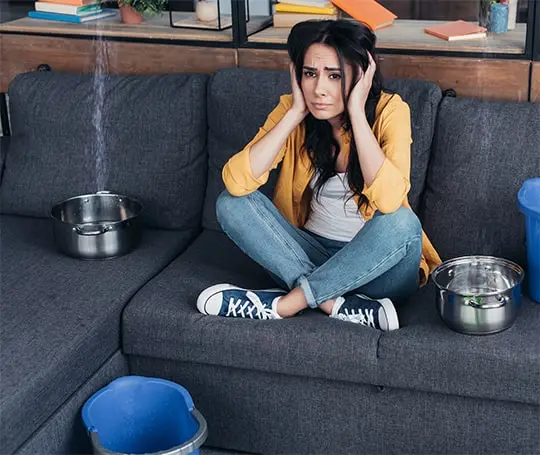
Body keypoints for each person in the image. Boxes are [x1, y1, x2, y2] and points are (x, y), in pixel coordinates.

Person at [196, 19, 441, 331]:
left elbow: (391, 201)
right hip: (311, 254)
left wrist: (356, 113)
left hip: (379, 268)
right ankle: (334, 303)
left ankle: (289, 302)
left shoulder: (391, 111)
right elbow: (236, 180)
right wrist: (296, 113)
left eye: (334, 75)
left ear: (362, 75)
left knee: (402, 223)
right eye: (310, 73)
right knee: (231, 203)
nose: (319, 89)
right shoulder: (293, 110)